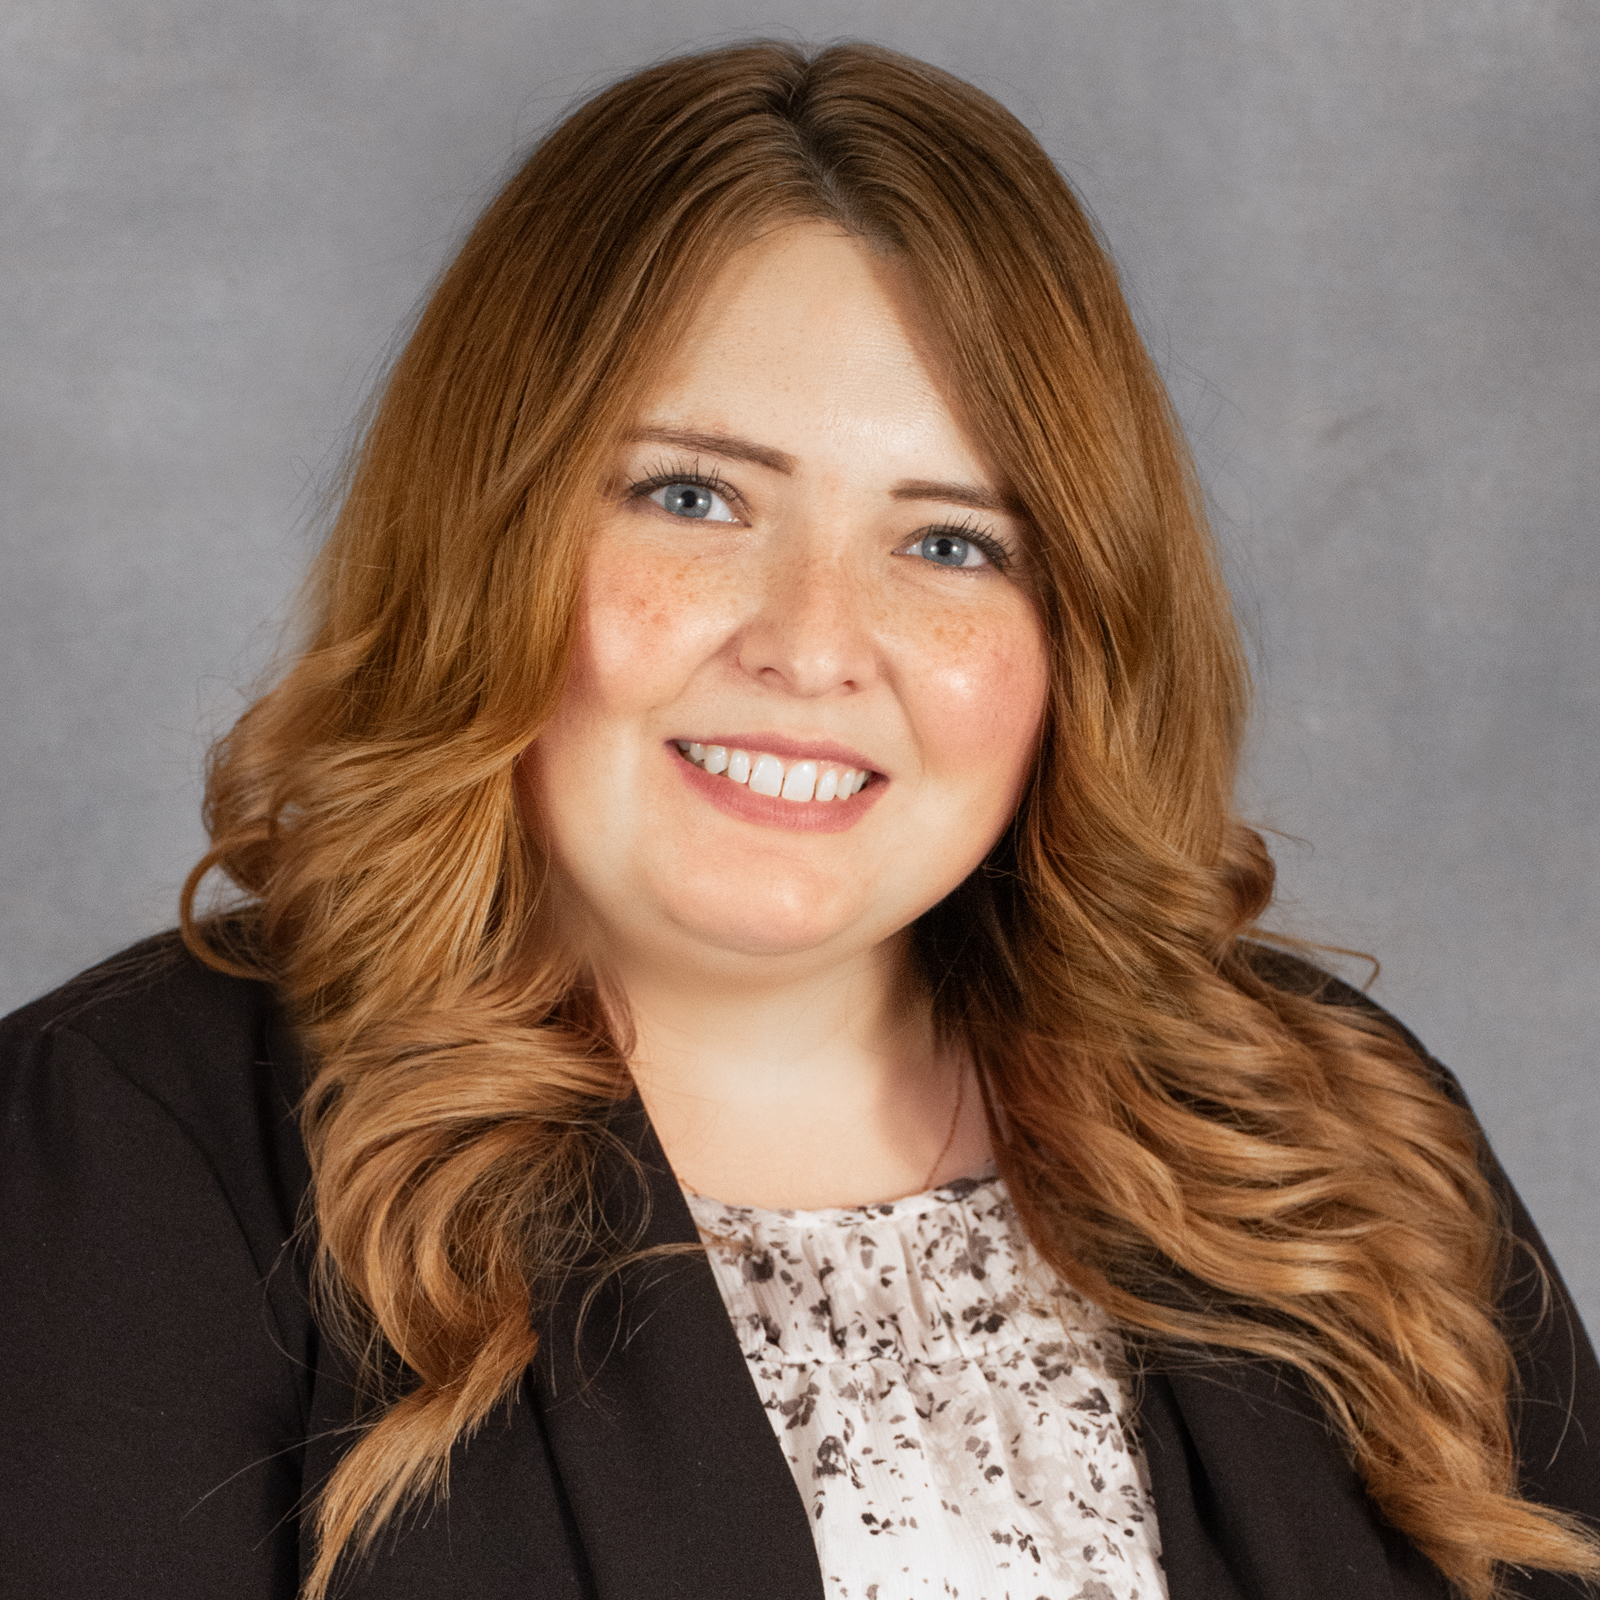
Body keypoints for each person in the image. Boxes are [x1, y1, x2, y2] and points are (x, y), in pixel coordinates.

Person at [1, 39, 1595, 1600]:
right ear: (488, 532)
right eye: (694, 497)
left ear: (1081, 627)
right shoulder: (126, 1155)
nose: (815, 643)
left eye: (956, 542)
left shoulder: (1336, 1144)